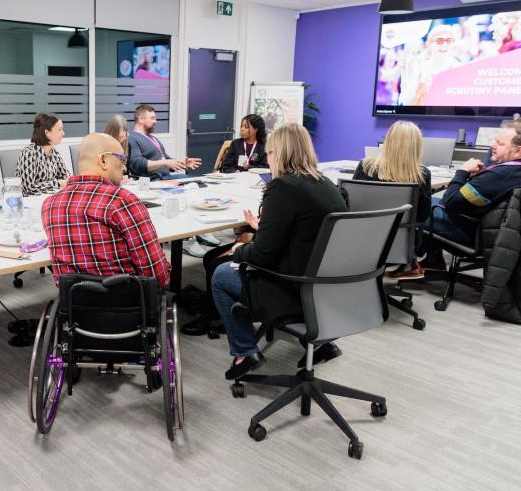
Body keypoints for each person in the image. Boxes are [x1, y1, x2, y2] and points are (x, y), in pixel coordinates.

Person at [211, 124, 348, 381]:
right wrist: (264, 228)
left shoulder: (283, 187)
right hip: (327, 288)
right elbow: (303, 234)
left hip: (294, 289)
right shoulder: (326, 184)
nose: (268, 159)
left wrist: (241, 250)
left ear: (278, 153)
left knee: (220, 274)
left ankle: (245, 352)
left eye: (270, 153)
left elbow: (263, 256)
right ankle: (320, 343)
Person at [41, 133, 170, 288]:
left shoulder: (50, 204)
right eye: (122, 160)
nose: (124, 168)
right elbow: (155, 275)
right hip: (130, 305)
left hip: (74, 306)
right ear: (103, 160)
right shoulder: (122, 200)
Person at [424, 123, 521, 265]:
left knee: (414, 205)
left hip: (468, 231)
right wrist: (479, 178)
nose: (492, 146)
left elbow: (450, 201)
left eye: (499, 143)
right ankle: (433, 262)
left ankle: (409, 266)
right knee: (426, 201)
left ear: (518, 151)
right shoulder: (512, 173)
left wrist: (462, 171)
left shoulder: (499, 175)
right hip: (488, 230)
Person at [351, 121, 432, 277]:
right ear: (417, 146)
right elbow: (422, 215)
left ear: (388, 142)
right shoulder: (421, 174)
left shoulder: (366, 166)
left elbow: (353, 206)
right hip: (400, 244)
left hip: (363, 239)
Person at [127, 104, 201, 180]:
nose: (155, 121)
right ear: (141, 119)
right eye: (152, 118)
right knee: (194, 181)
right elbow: (137, 164)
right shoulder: (133, 138)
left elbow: (166, 160)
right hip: (154, 180)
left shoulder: (153, 138)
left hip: (166, 178)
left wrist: (183, 164)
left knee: (197, 180)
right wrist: (165, 162)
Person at [16, 113, 70, 197]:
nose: (63, 133)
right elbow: (29, 188)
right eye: (59, 129)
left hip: (49, 200)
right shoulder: (29, 154)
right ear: (47, 132)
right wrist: (57, 183)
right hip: (30, 204)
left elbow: (66, 177)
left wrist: (65, 182)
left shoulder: (54, 153)